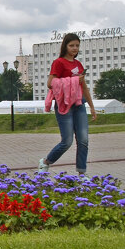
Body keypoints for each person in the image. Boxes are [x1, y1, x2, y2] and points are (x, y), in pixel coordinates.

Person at [39, 33, 97, 174]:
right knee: (67, 141)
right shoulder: (58, 63)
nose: (74, 48)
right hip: (64, 105)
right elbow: (50, 83)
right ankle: (46, 162)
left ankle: (82, 173)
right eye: (71, 45)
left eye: (77, 45)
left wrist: (91, 106)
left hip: (79, 104)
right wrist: (72, 81)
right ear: (65, 46)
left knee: (83, 140)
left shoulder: (78, 64)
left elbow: (83, 87)